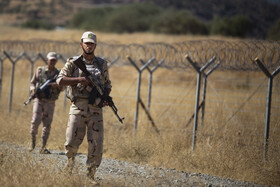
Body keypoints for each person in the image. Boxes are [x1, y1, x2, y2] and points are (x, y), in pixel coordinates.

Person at [56, 31, 112, 183]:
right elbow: (60, 80)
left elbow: (107, 84)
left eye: (92, 43)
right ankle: (69, 166)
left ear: (95, 45)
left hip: (95, 108)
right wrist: (80, 79)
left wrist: (105, 97)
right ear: (81, 44)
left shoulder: (102, 64)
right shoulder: (73, 62)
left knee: (96, 142)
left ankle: (91, 175)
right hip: (78, 106)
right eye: (86, 43)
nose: (89, 46)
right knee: (71, 139)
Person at [29, 52, 62, 154]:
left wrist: (56, 86)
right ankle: (32, 142)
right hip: (39, 100)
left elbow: (63, 87)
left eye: (54, 60)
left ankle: (43, 146)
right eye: (50, 60)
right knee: (35, 121)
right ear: (47, 60)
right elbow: (32, 82)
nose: (52, 62)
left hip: (50, 102)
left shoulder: (59, 73)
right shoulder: (40, 70)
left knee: (47, 124)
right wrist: (33, 90)